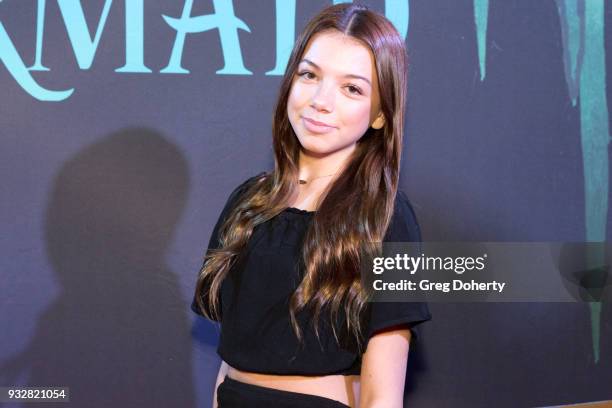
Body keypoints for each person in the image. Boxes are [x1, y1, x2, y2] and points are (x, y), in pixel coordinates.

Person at [192, 3, 431, 407]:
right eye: (310, 75)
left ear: (379, 115)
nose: (321, 101)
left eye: (351, 88)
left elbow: (382, 397)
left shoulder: (387, 219)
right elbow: (228, 361)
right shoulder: (247, 203)